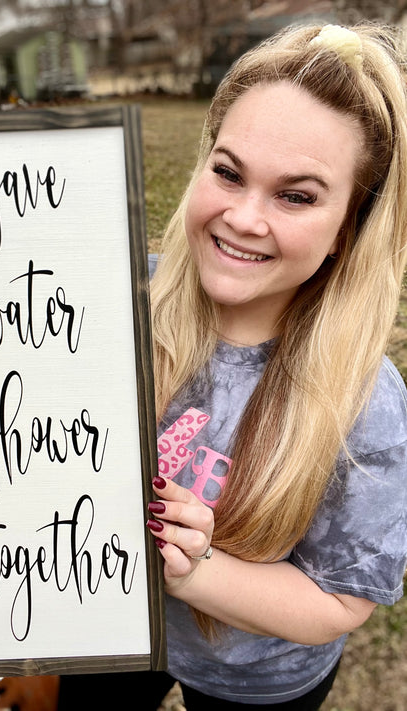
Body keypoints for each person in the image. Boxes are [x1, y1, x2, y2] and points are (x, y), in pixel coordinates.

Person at [56, 21, 407, 710]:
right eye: (228, 172)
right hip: (114, 622)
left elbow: (339, 600)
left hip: (258, 675)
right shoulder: (123, 300)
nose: (243, 218)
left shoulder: (365, 401)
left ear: (347, 228)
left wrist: (199, 575)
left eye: (296, 195)